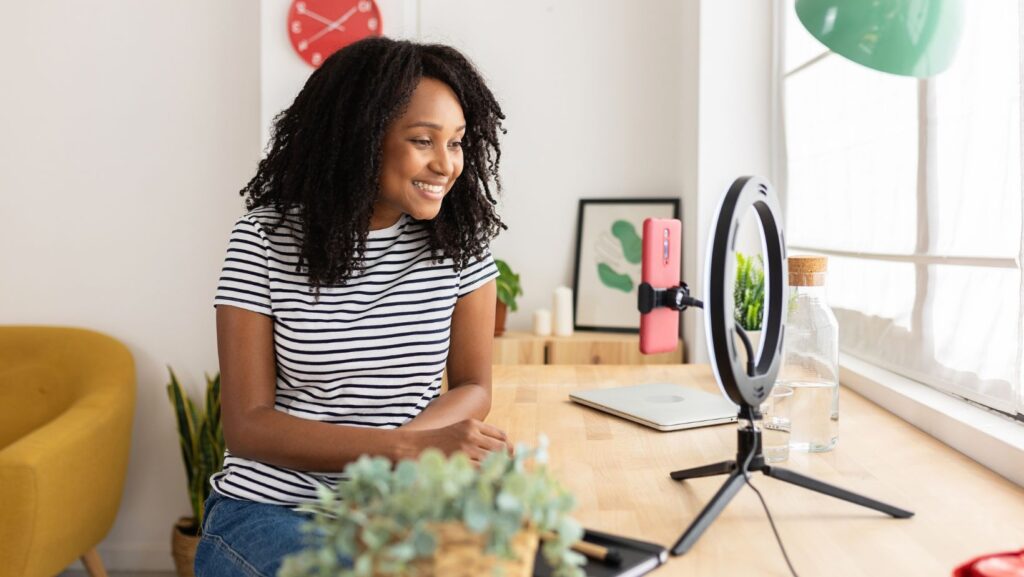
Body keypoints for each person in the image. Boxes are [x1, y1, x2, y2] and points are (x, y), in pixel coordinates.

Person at [194, 37, 512, 577]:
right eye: (422, 140)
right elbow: (248, 426)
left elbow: (472, 388)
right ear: (361, 139)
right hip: (275, 509)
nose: (446, 164)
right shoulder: (264, 240)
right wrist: (404, 448)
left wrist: (416, 454)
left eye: (456, 143)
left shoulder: (458, 242)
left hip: (398, 505)